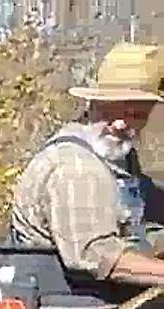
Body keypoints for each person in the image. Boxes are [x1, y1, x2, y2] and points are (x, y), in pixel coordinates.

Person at [10, 42, 164, 286]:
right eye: (109, 111)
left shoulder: (115, 157)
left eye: (136, 115)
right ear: (92, 104)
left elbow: (144, 205)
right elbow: (100, 256)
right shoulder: (76, 168)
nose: (121, 124)